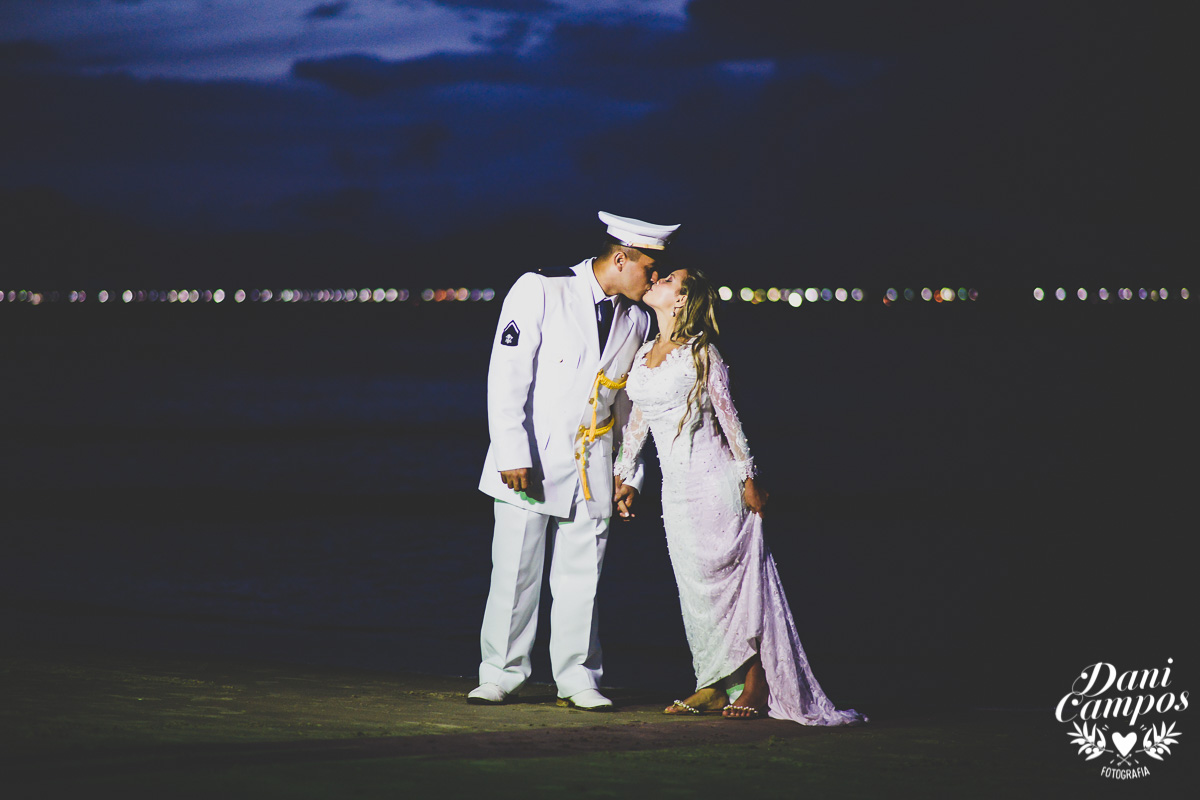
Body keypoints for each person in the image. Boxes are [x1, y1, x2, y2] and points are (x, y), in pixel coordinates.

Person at [613, 268, 866, 725]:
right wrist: (625, 475)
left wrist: (749, 478)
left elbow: (731, 421)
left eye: (668, 279)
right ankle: (710, 682)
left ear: (681, 299)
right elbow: (638, 422)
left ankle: (755, 679)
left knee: (733, 582)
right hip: (676, 493)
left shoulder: (702, 353)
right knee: (694, 588)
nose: (658, 279)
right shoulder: (645, 353)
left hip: (715, 483)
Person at [469, 211, 681, 710]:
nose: (654, 278)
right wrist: (511, 452)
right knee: (516, 571)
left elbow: (630, 406)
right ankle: (501, 672)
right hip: (531, 460)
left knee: (583, 577)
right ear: (621, 257)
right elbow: (507, 376)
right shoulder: (542, 289)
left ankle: (578, 677)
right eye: (649, 267)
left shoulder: (636, 318)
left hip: (596, 466)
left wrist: (630, 473)